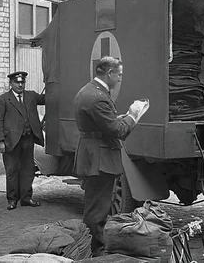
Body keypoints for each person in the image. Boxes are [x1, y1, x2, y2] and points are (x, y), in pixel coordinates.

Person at [73, 56, 142, 257]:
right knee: (98, 211)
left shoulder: (89, 91)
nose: (120, 79)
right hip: (99, 159)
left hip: (93, 154)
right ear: (109, 73)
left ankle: (92, 247)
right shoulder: (98, 97)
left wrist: (119, 119)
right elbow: (117, 131)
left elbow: (102, 123)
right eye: (119, 74)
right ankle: (96, 251)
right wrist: (133, 115)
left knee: (95, 206)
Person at [0, 71, 45, 210]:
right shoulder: (3, 100)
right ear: (11, 83)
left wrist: (53, 84)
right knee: (12, 170)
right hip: (11, 142)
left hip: (28, 140)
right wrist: (0, 141)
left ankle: (26, 198)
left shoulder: (31, 96)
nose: (20, 85)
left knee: (28, 170)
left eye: (22, 82)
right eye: (17, 82)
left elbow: (48, 98)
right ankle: (12, 200)